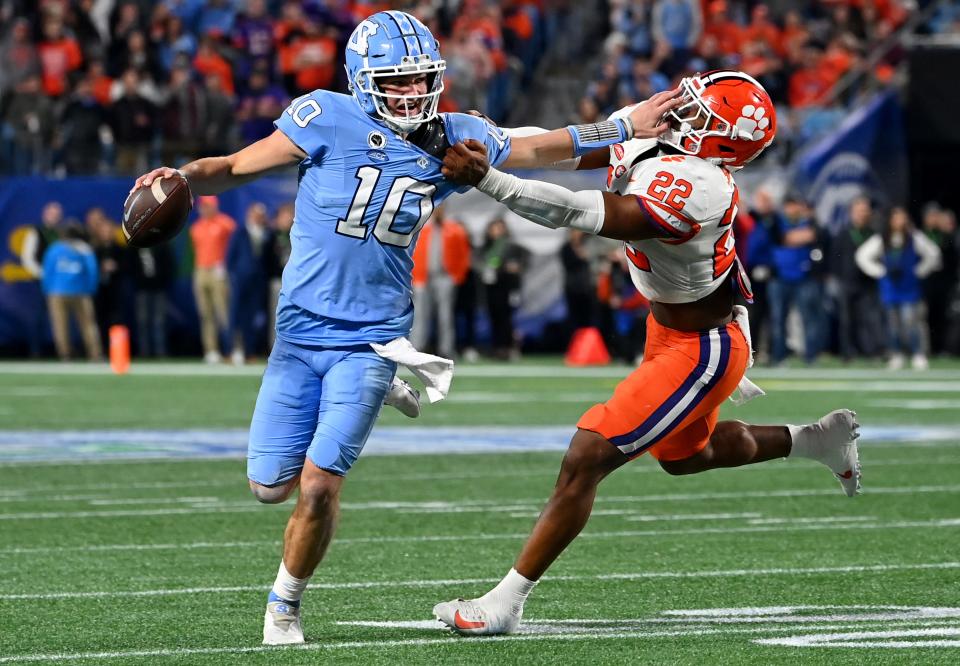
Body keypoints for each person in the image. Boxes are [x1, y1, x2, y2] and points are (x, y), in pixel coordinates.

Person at [128, 10, 676, 646]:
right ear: (364, 80)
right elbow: (237, 166)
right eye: (399, 81)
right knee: (268, 487)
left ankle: (285, 602)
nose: (414, 93)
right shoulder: (325, 117)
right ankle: (377, 391)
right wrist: (182, 175)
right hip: (301, 332)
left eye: (422, 79)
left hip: (373, 336)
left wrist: (620, 127)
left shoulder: (452, 137)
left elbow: (537, 146)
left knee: (319, 487)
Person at [433, 71, 861, 636]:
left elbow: (576, 213)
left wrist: (489, 178)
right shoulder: (659, 130)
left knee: (586, 456)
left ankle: (505, 603)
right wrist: (489, 141)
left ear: (721, 142)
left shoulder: (702, 186)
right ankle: (814, 439)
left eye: (700, 112)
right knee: (687, 457)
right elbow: (568, 149)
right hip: (669, 331)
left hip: (703, 348)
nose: (684, 110)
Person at [855, 206, 942, 370]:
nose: (899, 221)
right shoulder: (883, 238)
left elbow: (933, 254)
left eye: (902, 217)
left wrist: (920, 271)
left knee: (911, 321)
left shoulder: (914, 237)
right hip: (890, 287)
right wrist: (879, 271)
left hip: (909, 286)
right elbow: (862, 255)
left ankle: (917, 353)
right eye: (896, 217)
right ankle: (896, 354)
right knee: (893, 323)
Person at [410, 204, 472, 358]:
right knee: (420, 315)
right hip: (423, 277)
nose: (438, 211)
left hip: (444, 277)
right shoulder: (422, 229)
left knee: (445, 315)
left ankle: (446, 350)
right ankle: (416, 348)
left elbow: (464, 255)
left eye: (440, 208)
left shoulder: (454, 230)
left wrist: (456, 277)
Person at [41, 224, 103, 361]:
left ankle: (65, 355)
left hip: (57, 292)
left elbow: (47, 272)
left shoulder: (54, 249)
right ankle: (95, 355)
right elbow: (93, 271)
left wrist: (47, 289)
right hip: (81, 292)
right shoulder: (84, 249)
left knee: (60, 326)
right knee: (88, 325)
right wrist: (91, 288)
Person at [189, 195, 236, 364]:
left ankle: (234, 348)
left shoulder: (226, 224)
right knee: (205, 313)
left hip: (219, 271)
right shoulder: (196, 228)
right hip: (201, 270)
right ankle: (211, 350)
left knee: (224, 312)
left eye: (208, 206)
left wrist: (226, 267)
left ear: (215, 206)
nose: (204, 209)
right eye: (203, 206)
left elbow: (234, 248)